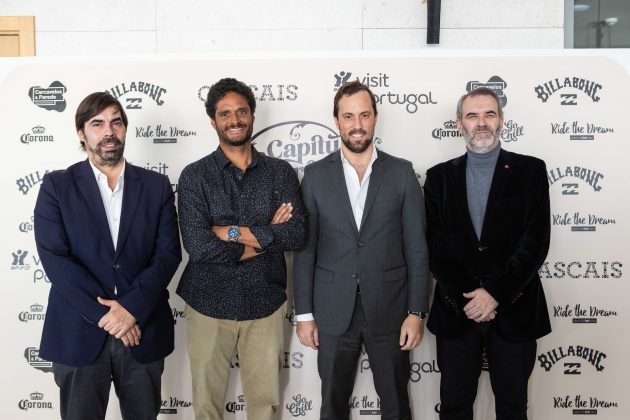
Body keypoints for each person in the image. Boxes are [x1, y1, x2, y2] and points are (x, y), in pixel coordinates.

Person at [34, 92, 182, 420]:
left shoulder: (157, 186)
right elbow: (56, 259)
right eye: (97, 123)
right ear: (81, 133)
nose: (108, 131)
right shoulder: (57, 186)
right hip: (78, 333)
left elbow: (168, 254)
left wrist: (130, 310)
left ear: (125, 129)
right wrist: (112, 318)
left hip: (141, 331)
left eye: (116, 122)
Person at [293, 80, 430, 420]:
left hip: (391, 310)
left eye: (364, 115)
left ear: (375, 118)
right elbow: (305, 252)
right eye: (349, 116)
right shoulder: (314, 176)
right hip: (332, 311)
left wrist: (416, 311)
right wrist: (305, 314)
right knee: (333, 405)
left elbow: (416, 249)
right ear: (337, 121)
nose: (357, 125)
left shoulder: (401, 173)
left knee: (397, 405)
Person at [176, 77, 306, 420]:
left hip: (265, 302)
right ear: (213, 120)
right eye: (225, 113)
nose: (234, 119)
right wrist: (266, 237)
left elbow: (294, 234)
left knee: (265, 406)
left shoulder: (279, 172)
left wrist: (230, 232)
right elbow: (200, 246)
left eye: (241, 111)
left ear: (252, 114)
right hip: (207, 303)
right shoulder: (194, 176)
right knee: (206, 406)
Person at [423, 87, 551, 420]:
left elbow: (534, 243)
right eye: (473, 115)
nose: (482, 123)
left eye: (489, 114)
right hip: (457, 312)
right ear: (459, 124)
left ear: (502, 121)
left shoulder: (531, 171)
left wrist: (494, 294)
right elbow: (436, 245)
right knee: (454, 407)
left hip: (514, 310)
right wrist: (472, 299)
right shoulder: (438, 178)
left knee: (512, 408)